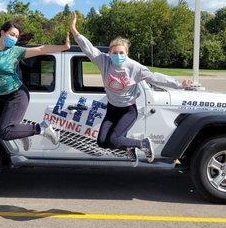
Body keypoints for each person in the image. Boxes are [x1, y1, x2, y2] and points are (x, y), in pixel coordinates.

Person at [70, 11, 192, 166]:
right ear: (109, 53)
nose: (118, 55)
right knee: (102, 142)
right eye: (115, 52)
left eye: (121, 52)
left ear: (127, 53)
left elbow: (155, 77)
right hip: (112, 110)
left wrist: (179, 84)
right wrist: (74, 30)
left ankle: (143, 144)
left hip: (128, 110)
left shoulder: (134, 67)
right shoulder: (104, 62)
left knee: (114, 139)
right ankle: (130, 147)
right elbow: (88, 48)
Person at [0, 0, 70, 151]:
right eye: (11, 34)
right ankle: (22, 133)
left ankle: (42, 128)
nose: (14, 38)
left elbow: (41, 49)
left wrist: (64, 47)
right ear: (2, 32)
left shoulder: (15, 51)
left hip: (16, 94)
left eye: (16, 37)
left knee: (5, 131)